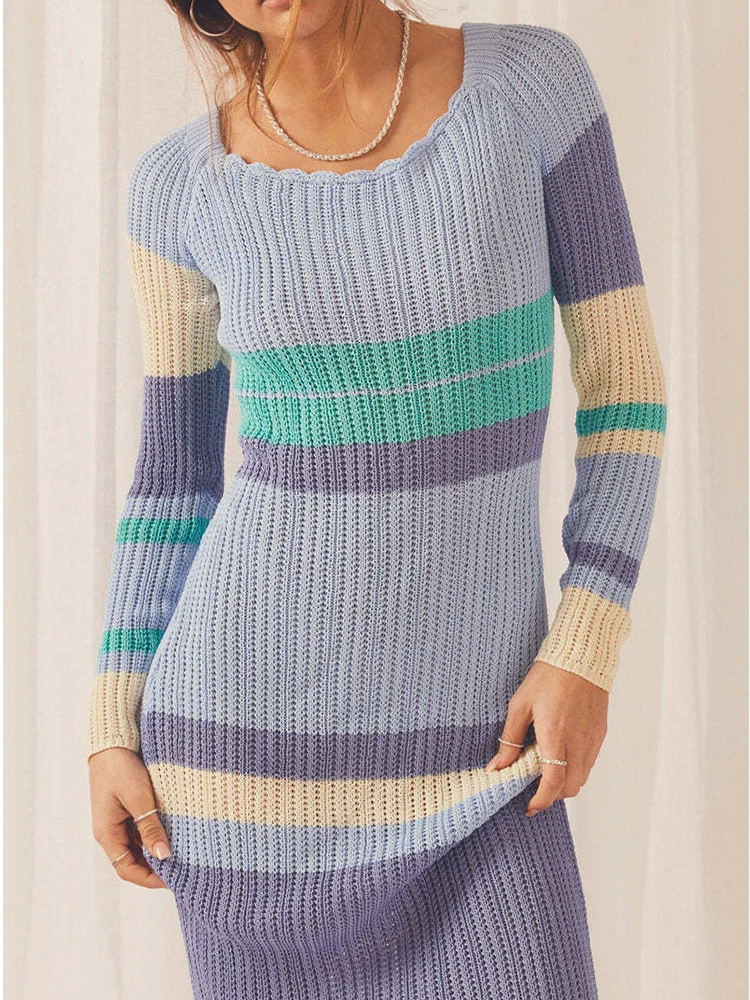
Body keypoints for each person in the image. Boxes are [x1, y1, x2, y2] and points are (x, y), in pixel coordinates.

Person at [86, 1, 668, 996]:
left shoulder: (529, 88)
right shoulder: (178, 188)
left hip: (484, 754)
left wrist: (585, 645)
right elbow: (173, 484)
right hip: (240, 775)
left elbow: (626, 390)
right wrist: (111, 724)